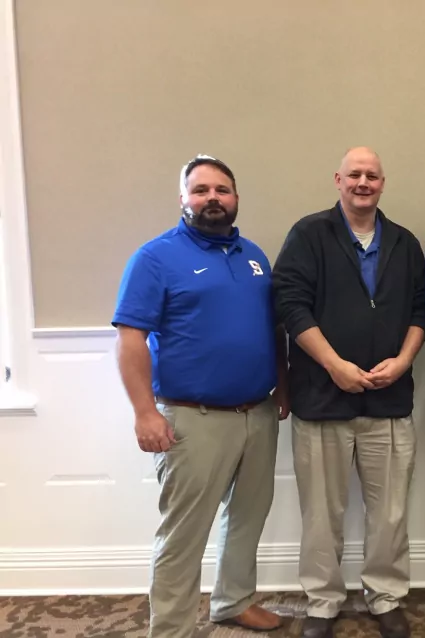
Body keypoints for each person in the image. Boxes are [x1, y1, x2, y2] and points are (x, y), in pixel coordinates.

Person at [112, 155, 289, 637]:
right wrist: (144, 413)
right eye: (201, 190)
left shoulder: (254, 256)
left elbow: (272, 328)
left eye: (222, 190)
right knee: (184, 533)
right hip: (193, 418)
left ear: (235, 198)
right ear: (183, 199)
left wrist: (283, 383)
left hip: (258, 412)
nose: (212, 197)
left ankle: (233, 601)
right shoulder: (155, 257)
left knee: (248, 517)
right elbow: (130, 339)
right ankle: (171, 629)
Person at [272, 147, 425, 638]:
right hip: (322, 399)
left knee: (390, 512)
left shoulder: (404, 242)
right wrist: (334, 365)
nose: (363, 182)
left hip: (389, 400)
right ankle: (322, 601)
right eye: (354, 174)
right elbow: (290, 305)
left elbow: (421, 310)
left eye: (372, 176)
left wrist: (403, 361)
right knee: (322, 513)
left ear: (383, 183)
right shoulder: (308, 234)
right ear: (338, 180)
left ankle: (385, 596)